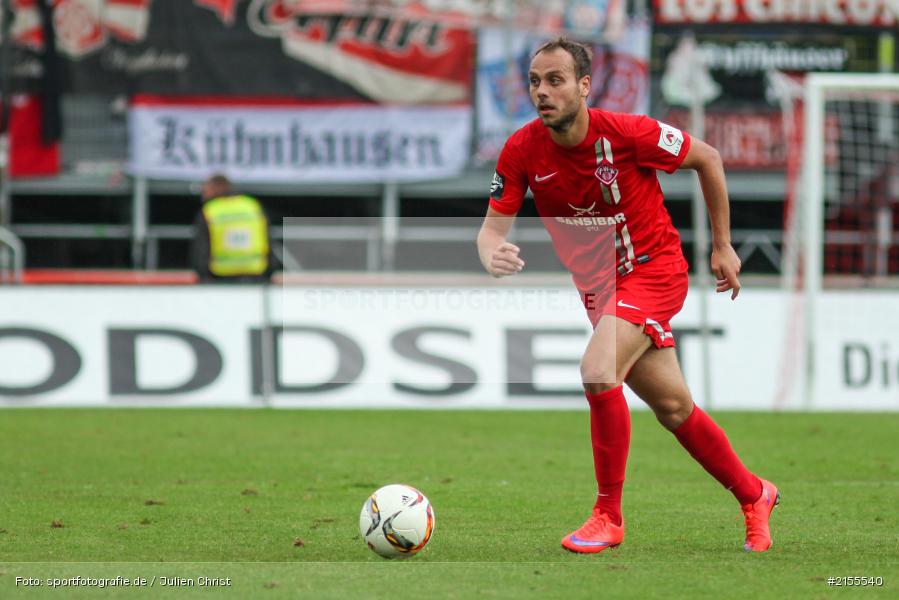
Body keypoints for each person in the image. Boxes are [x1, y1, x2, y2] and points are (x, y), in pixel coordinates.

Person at [477, 38, 779, 554]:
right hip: (599, 291)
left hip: (654, 270)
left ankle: (608, 515)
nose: (542, 92)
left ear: (584, 86)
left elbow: (708, 159)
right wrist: (491, 252)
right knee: (673, 407)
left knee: (597, 370)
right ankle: (755, 494)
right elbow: (490, 231)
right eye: (534, 81)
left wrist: (723, 246)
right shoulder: (521, 149)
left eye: (555, 80)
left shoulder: (629, 133)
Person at [191, 174, 272, 283]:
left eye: (206, 189)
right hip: (256, 276)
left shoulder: (210, 211)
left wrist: (203, 277)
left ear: (216, 189)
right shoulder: (252, 206)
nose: (203, 193)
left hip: (221, 277)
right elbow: (268, 240)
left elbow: (201, 250)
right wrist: (269, 273)